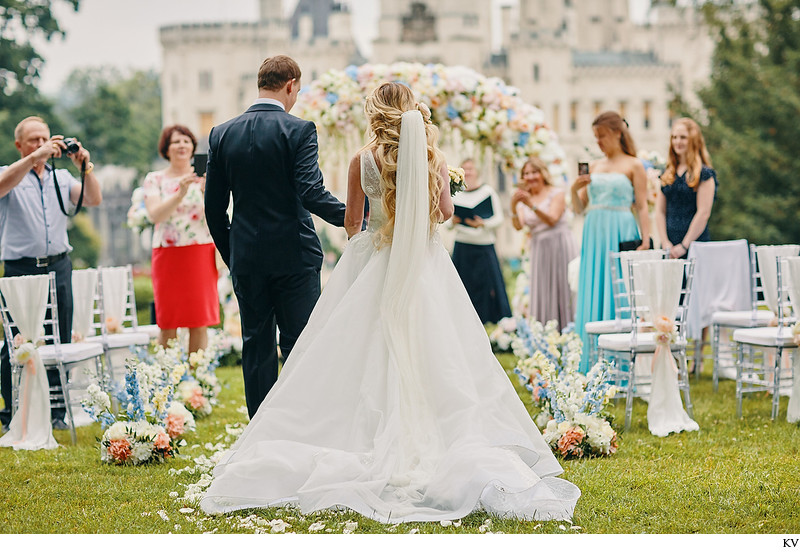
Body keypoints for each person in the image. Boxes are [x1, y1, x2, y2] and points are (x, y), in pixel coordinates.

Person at [200, 82, 580, 523]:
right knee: (438, 352)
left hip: (376, 263)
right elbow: (443, 214)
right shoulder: (432, 158)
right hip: (424, 265)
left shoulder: (362, 159)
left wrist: (376, 226)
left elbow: (350, 223)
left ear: (374, 113)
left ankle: (362, 436)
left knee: (361, 351)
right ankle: (439, 439)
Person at [204, 55, 346, 419]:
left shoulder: (221, 133)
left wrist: (234, 252)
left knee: (255, 345)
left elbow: (213, 209)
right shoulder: (299, 131)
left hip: (247, 258)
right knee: (299, 344)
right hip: (294, 257)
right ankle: (298, 425)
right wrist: (356, 216)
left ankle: (260, 433)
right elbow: (312, 193)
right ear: (291, 85)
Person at [0, 116, 103, 432]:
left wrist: (83, 165)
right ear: (19, 145)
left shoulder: (59, 179)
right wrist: (36, 157)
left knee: (59, 335)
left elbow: (93, 198)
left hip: (59, 264)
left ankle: (57, 410)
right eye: (33, 139)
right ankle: (14, 406)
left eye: (44, 138)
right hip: (20, 267)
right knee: (16, 338)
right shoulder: (10, 174)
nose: (41, 143)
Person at [571, 111, 651, 372]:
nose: (599, 142)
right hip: (594, 232)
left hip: (621, 229)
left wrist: (646, 239)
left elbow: (642, 206)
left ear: (618, 133)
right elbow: (579, 208)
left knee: (619, 292)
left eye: (602, 136)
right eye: (595, 138)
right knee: (595, 284)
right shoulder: (593, 166)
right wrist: (574, 189)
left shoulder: (634, 165)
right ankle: (591, 362)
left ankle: (621, 365)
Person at [143, 125, 219, 354]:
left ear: (193, 147)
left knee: (199, 320)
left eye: (186, 141)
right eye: (176, 142)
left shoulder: (208, 176)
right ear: (166, 148)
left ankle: (197, 380)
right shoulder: (154, 179)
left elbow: (221, 213)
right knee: (168, 321)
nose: (182, 146)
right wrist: (180, 193)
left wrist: (209, 191)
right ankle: (166, 380)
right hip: (168, 253)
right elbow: (155, 214)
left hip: (200, 251)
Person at [511, 157, 577, 330]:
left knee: (563, 288)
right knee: (544, 290)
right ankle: (546, 331)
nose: (530, 176)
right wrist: (513, 207)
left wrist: (531, 205)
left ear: (543, 174)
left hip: (560, 244)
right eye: (526, 173)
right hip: (540, 248)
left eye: (534, 172)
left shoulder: (557, 192)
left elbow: (552, 219)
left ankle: (568, 328)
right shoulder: (525, 198)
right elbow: (519, 225)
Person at [449, 158, 511, 324]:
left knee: (490, 289)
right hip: (463, 247)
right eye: (465, 169)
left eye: (471, 168)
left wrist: (482, 223)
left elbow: (499, 218)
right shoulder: (455, 193)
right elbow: (446, 220)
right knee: (462, 289)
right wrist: (453, 222)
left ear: (477, 171)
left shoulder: (488, 192)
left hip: (484, 247)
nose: (468, 172)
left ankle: (496, 323)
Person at [655, 117, 717, 260]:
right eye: (674, 137)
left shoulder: (705, 174)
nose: (677, 141)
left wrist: (684, 246)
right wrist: (665, 243)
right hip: (669, 247)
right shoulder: (667, 173)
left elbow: (703, 213)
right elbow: (660, 211)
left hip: (694, 245)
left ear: (693, 140)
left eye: (683, 137)